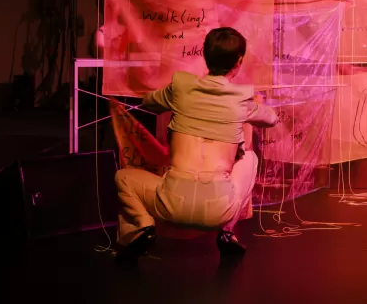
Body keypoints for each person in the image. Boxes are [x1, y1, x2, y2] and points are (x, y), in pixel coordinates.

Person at [113, 27, 279, 262]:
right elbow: (271, 119)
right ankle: (227, 233)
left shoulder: (180, 87)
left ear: (204, 55)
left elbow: (148, 102)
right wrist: (257, 105)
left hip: (170, 202)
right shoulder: (242, 100)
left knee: (123, 178)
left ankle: (142, 226)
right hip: (218, 208)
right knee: (250, 158)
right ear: (239, 61)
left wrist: (170, 98)